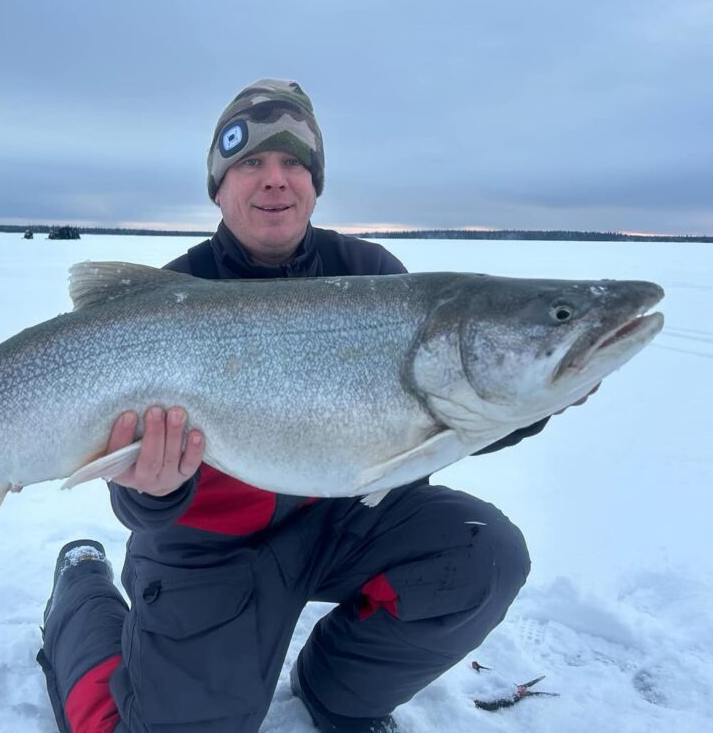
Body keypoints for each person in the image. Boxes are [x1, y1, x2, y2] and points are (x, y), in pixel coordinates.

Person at [36, 80, 553, 733]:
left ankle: (340, 692)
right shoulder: (165, 302)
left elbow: (429, 419)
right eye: (250, 163)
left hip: (342, 525)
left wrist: (532, 394)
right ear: (218, 188)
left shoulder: (371, 275)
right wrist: (152, 493)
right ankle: (81, 587)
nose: (274, 180)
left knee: (485, 555)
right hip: (211, 546)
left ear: (315, 183)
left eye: (293, 164)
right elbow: (135, 485)